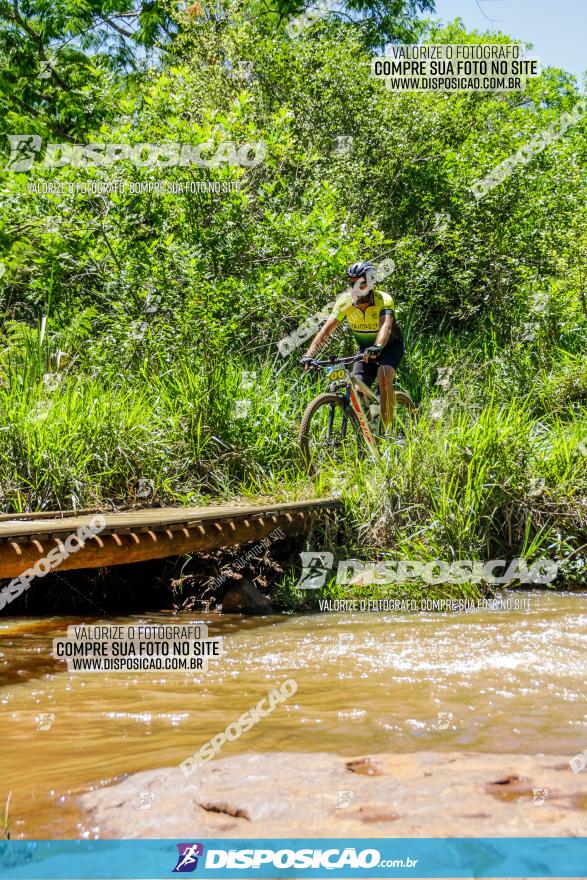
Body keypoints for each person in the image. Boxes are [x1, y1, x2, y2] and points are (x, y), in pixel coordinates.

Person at [301, 261, 404, 431]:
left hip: (389, 346)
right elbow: (326, 330)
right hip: (364, 351)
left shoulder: (383, 299)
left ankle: (389, 431)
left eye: (362, 283)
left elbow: (385, 326)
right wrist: (309, 355)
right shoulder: (345, 302)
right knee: (357, 391)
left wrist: (378, 346)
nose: (357, 287)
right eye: (353, 283)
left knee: (384, 375)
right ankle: (371, 430)